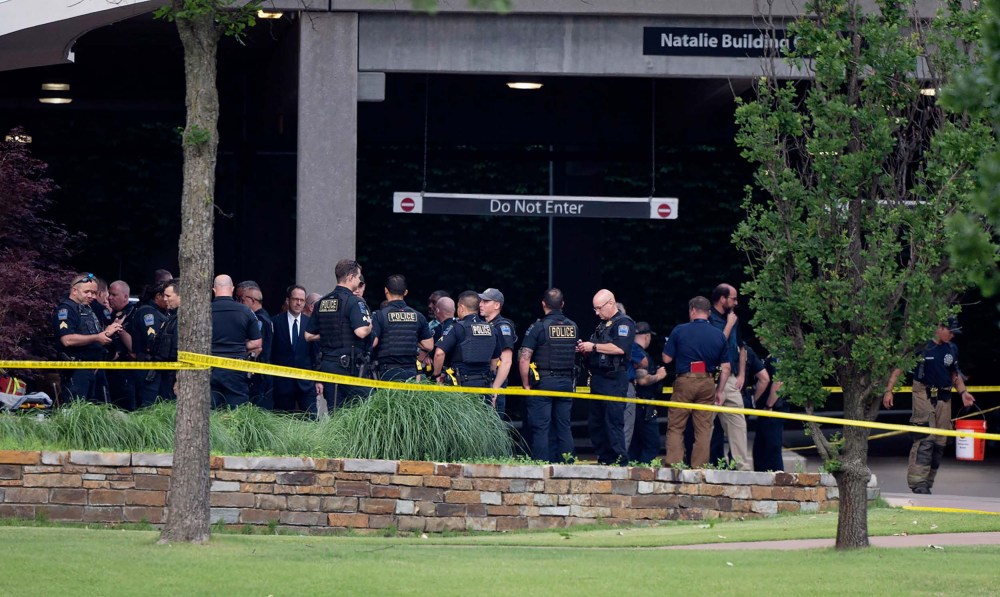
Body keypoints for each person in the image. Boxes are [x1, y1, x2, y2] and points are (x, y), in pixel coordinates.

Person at [883, 318, 976, 494]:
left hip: (944, 395)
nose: (952, 335)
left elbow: (955, 375)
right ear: (940, 328)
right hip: (923, 393)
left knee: (941, 441)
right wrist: (889, 391)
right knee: (925, 437)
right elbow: (898, 369)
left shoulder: (951, 349)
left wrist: (963, 393)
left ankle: (927, 482)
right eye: (950, 331)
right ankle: (918, 483)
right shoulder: (922, 347)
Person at [662, 296, 731, 468]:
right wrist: (719, 391)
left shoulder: (680, 330)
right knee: (703, 429)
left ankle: (674, 465)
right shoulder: (719, 335)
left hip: (685, 380)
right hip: (707, 382)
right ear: (708, 313)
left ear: (692, 310)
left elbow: (667, 359)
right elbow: (726, 367)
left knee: (676, 426)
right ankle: (699, 468)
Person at [305, 259, 373, 412]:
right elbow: (361, 332)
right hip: (348, 368)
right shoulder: (355, 302)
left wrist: (328, 335)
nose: (359, 280)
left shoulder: (322, 302)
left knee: (336, 413)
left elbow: (308, 335)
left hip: (328, 366)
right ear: (350, 277)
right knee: (369, 405)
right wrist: (370, 325)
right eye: (358, 277)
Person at [519, 288, 578, 463]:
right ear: (562, 304)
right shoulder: (573, 326)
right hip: (566, 382)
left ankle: (541, 466)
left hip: (543, 383)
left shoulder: (538, 327)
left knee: (541, 428)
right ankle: (567, 465)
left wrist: (526, 384)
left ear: (543, 304)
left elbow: (524, 358)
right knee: (564, 427)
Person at [576, 289, 635, 465]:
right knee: (596, 422)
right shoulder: (602, 326)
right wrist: (585, 350)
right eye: (594, 309)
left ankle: (619, 460)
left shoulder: (624, 323)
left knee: (613, 422)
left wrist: (593, 347)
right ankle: (604, 458)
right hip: (598, 378)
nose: (596, 313)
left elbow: (620, 348)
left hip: (614, 379)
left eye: (599, 308)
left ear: (610, 303)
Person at [52, 272, 122, 403]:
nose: (91, 296)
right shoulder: (66, 310)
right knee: (75, 410)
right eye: (87, 292)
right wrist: (97, 337)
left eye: (94, 293)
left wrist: (107, 332)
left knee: (102, 409)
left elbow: (94, 336)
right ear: (74, 291)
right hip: (76, 371)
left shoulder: (88, 309)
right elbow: (67, 340)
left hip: (95, 368)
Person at [707, 283, 751, 470]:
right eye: (733, 298)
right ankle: (700, 463)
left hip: (731, 376)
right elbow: (715, 346)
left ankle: (741, 465)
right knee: (707, 422)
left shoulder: (733, 318)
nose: (736, 302)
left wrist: (741, 374)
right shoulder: (708, 318)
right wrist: (729, 324)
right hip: (712, 376)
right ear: (722, 299)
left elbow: (741, 347)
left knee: (738, 420)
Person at [431, 291, 502, 399]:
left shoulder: (457, 327)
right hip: (484, 386)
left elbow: (439, 353)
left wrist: (436, 375)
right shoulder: (492, 329)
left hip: (461, 387)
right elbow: (495, 359)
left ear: (461, 308)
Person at [210, 274, 262, 408]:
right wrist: (240, 345)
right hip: (236, 368)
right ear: (232, 289)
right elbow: (257, 343)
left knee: (210, 412)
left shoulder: (205, 311)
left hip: (209, 367)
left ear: (214, 290)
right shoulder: (245, 311)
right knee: (236, 412)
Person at [371, 275, 434, 381]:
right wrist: (412, 337)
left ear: (386, 291)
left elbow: (373, 342)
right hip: (411, 371)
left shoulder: (379, 316)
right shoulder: (418, 316)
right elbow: (429, 345)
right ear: (405, 292)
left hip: (388, 372)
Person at [271, 285, 322, 414]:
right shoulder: (276, 322)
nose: (298, 303)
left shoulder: (311, 324)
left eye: (302, 300)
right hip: (282, 383)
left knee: (311, 420)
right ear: (288, 300)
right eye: (295, 299)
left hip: (306, 384)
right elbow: (271, 352)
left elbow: (316, 354)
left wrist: (318, 380)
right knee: (281, 420)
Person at [629, 321, 667, 464]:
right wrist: (659, 375)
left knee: (635, 445)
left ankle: (634, 470)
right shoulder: (640, 354)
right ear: (646, 336)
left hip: (635, 405)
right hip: (644, 405)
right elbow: (642, 380)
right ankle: (643, 472)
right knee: (651, 444)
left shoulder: (630, 350)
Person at [237, 280, 274, 410]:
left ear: (252, 300)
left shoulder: (259, 320)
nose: (238, 303)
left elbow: (256, 347)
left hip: (258, 375)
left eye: (241, 299)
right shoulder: (265, 317)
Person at [479, 287, 516, 415]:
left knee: (494, 424)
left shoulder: (502, 327)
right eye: (481, 301)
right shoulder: (483, 325)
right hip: (482, 381)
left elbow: (506, 361)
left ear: (497, 305)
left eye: (485, 301)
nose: (480, 304)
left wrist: (495, 389)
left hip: (494, 383)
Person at [131, 281, 168, 408]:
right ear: (158, 296)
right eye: (165, 296)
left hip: (155, 367)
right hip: (147, 367)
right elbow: (152, 340)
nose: (167, 300)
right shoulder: (148, 312)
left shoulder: (161, 312)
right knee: (149, 406)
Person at [745, 346, 782, 472]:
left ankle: (777, 477)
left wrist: (769, 405)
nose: (759, 338)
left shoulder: (778, 356)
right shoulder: (770, 356)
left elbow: (778, 383)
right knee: (760, 449)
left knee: (771, 447)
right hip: (765, 409)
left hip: (772, 409)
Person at [105, 279, 137, 410]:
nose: (110, 298)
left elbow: (133, 348)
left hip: (126, 369)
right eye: (109, 294)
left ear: (125, 297)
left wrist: (119, 329)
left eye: (114, 295)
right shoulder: (110, 314)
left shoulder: (134, 314)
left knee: (125, 406)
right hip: (111, 368)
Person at [153, 279, 181, 401]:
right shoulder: (171, 317)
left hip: (173, 375)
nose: (164, 299)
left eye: (168, 296)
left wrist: (179, 379)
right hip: (165, 374)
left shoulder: (183, 319)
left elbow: (182, 352)